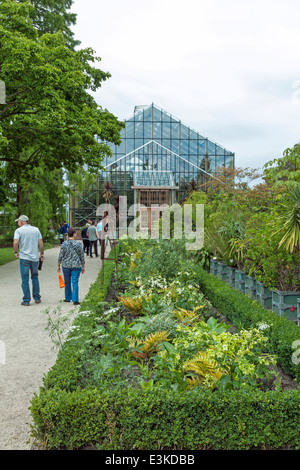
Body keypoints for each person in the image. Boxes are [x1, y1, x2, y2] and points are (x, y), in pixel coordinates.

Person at [13, 215, 44, 306]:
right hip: (34, 258)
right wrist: (41, 254)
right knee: (35, 277)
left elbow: (15, 242)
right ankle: (37, 297)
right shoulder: (36, 229)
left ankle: (26, 300)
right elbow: (41, 243)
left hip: (24, 258)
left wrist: (15, 251)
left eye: (18, 221)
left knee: (25, 279)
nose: (18, 223)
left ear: (22, 222)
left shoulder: (18, 231)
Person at [57, 227, 85, 305]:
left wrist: (58, 265)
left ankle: (68, 297)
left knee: (67, 282)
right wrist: (83, 266)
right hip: (76, 265)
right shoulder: (78, 244)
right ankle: (75, 299)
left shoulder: (64, 244)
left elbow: (61, 255)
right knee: (75, 282)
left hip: (66, 265)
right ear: (74, 234)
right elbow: (81, 256)